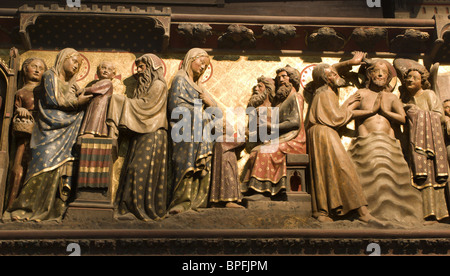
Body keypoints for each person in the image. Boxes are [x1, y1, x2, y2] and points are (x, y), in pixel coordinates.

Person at [4, 48, 92, 222]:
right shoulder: (49, 76)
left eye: (79, 65)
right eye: (74, 61)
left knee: (62, 171)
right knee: (41, 165)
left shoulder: (71, 83)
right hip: (47, 131)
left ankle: (53, 209)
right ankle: (26, 208)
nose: (76, 66)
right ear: (63, 59)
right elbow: (53, 100)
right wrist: (77, 102)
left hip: (67, 133)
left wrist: (80, 93)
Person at [347, 59, 424, 226]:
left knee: (392, 182)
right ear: (369, 74)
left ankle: (396, 216)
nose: (380, 74)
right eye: (376, 71)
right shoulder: (362, 93)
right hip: (365, 143)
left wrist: (385, 112)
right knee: (367, 180)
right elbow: (346, 113)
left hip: (389, 145)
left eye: (384, 72)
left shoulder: (391, 97)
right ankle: (366, 214)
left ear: (389, 78)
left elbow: (402, 119)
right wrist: (370, 111)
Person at [306, 52, 376, 223]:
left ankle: (327, 211)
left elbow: (333, 69)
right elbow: (337, 118)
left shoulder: (325, 89)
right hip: (324, 133)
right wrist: (359, 107)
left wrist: (351, 62)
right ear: (325, 78)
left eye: (335, 73)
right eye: (332, 74)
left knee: (327, 170)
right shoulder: (325, 93)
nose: (336, 75)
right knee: (344, 167)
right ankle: (359, 211)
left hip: (323, 133)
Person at [107, 54, 169, 221]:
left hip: (153, 132)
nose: (139, 71)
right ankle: (128, 208)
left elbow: (146, 107)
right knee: (130, 170)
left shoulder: (158, 85)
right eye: (138, 67)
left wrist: (120, 101)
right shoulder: (142, 88)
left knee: (138, 170)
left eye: (142, 67)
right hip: (142, 132)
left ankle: (138, 209)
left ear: (152, 68)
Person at [241, 65, 306, 201]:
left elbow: (295, 122)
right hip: (284, 138)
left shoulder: (296, 97)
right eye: (279, 78)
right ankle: (250, 189)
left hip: (295, 140)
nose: (281, 79)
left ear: (293, 79)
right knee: (256, 150)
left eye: (284, 76)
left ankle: (263, 191)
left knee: (264, 152)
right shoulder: (281, 102)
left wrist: (271, 125)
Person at [209, 76, 274, 208]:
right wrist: (245, 134)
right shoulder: (223, 140)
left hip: (268, 143)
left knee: (260, 152)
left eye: (260, 86)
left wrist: (246, 133)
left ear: (267, 90)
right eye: (256, 86)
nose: (256, 88)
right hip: (254, 144)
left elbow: (267, 131)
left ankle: (259, 190)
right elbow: (248, 136)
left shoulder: (269, 109)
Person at [167, 48, 217, 215]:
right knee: (186, 165)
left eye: (205, 66)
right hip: (184, 131)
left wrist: (209, 104)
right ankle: (180, 202)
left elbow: (216, 111)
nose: (202, 67)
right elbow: (175, 107)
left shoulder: (199, 86)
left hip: (200, 131)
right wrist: (200, 112)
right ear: (190, 59)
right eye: (201, 63)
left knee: (201, 169)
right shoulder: (180, 79)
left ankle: (197, 202)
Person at [401, 66, 449, 223]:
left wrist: (417, 113)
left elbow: (439, 116)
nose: (410, 79)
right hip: (413, 145)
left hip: (431, 145)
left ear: (422, 81)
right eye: (408, 77)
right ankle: (419, 213)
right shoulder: (405, 100)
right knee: (415, 175)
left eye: (414, 77)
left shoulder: (429, 94)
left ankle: (439, 213)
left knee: (432, 175)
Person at [6, 57, 47, 209]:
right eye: (33, 66)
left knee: (36, 166)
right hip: (25, 131)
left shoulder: (45, 91)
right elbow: (12, 109)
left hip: (42, 131)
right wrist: (20, 109)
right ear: (25, 69)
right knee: (18, 166)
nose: (37, 70)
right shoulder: (20, 92)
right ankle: (11, 203)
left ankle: (31, 204)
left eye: (40, 68)